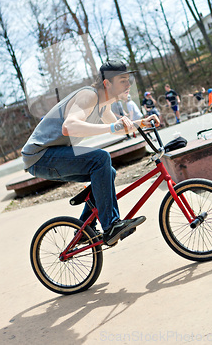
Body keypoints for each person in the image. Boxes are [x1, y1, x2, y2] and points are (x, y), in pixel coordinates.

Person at [21, 60, 159, 246]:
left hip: (50, 154)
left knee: (106, 172)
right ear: (107, 83)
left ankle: (85, 230)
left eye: (129, 79)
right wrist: (111, 126)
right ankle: (111, 225)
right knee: (100, 159)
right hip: (40, 156)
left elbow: (119, 128)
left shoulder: (104, 105)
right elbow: (69, 127)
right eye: (123, 80)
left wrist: (142, 123)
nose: (129, 84)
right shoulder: (89, 95)